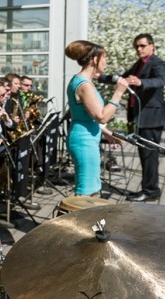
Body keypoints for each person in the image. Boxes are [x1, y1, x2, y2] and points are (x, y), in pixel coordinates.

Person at [98, 33, 165, 202]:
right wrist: (99, 77)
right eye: (137, 46)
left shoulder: (157, 63)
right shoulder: (139, 64)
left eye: (142, 45)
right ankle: (148, 188)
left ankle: (151, 191)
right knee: (144, 155)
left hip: (151, 118)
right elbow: (121, 79)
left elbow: (160, 81)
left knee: (149, 156)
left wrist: (141, 82)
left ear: (152, 46)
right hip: (139, 117)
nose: (139, 49)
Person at [64, 40, 129, 197]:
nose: (106, 61)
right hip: (84, 141)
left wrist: (107, 133)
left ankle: (83, 221)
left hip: (88, 138)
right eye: (104, 57)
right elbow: (101, 116)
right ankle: (73, 221)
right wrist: (118, 92)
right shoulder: (84, 85)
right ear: (95, 59)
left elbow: (88, 117)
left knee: (92, 189)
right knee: (86, 192)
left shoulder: (85, 82)